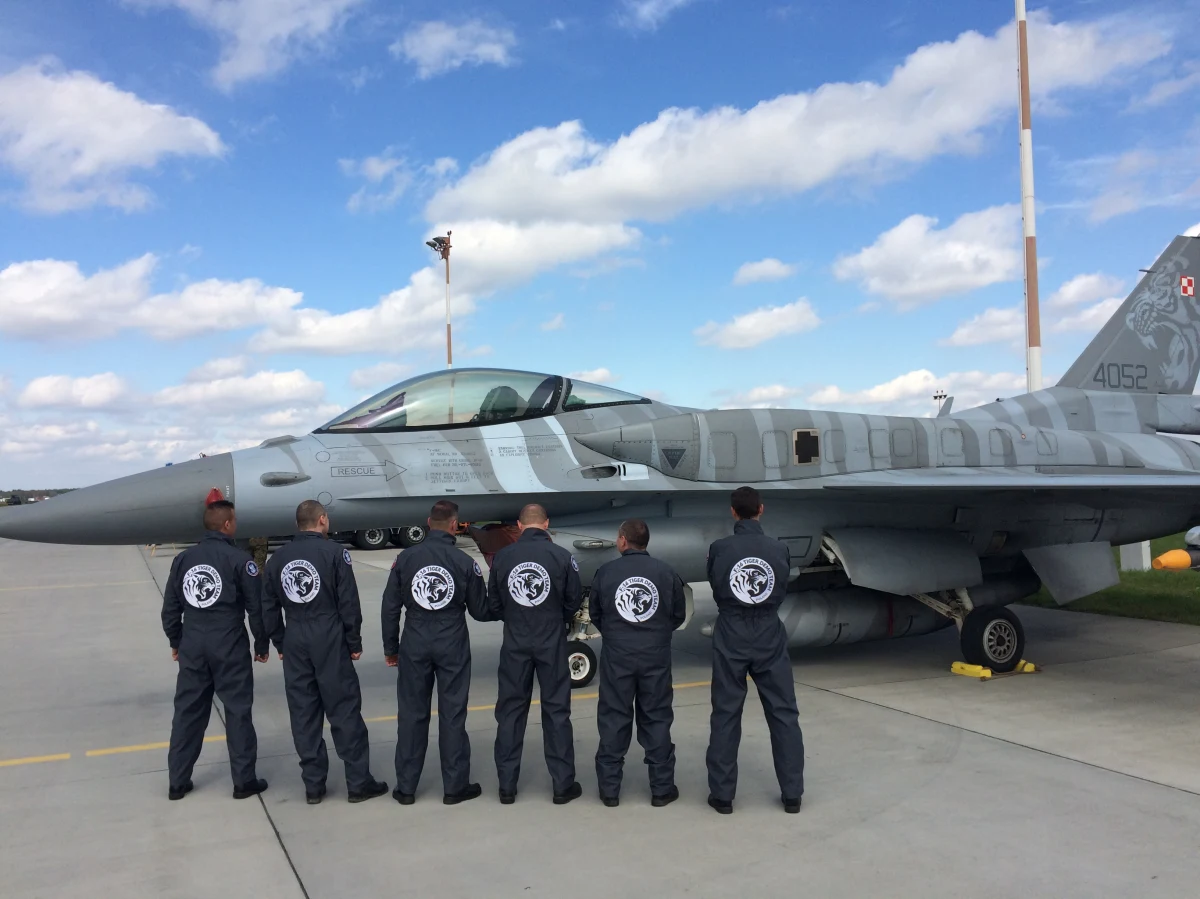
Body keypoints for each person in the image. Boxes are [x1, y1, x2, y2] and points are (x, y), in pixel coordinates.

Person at [262, 500, 387, 805]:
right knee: (343, 708)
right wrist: (353, 642)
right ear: (321, 520)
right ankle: (358, 783)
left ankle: (313, 786)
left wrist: (281, 642)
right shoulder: (334, 554)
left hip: (296, 635)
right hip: (328, 634)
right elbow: (348, 602)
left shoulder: (277, 559)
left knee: (304, 712)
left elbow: (267, 608)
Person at [382, 500, 490, 805]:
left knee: (411, 714)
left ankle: (406, 788)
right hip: (451, 641)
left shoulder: (405, 558)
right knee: (452, 714)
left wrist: (392, 648)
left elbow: (390, 607)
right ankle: (455, 788)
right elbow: (481, 611)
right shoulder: (464, 562)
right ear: (455, 525)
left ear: (429, 523)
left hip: (415, 640)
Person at [704, 486, 805, 815]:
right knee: (783, 714)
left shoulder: (720, 549)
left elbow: (717, 586)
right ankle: (792, 795)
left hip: (731, 631)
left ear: (733, 512)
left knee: (725, 714)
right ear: (761, 510)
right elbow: (782, 586)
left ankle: (722, 796)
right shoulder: (778, 549)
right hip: (767, 632)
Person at [161, 499, 269, 801]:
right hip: (228, 643)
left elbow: (170, 608)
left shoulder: (183, 560)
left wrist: (176, 641)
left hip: (193, 643)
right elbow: (255, 609)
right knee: (237, 711)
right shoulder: (239, 560)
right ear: (227, 525)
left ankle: (177, 781)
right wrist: (261, 644)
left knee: (187, 713)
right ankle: (243, 781)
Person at [488, 503, 583, 805]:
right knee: (556, 711)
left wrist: (516, 619)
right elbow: (573, 601)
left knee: (511, 712)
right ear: (546, 524)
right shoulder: (562, 556)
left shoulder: (503, 557)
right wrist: (556, 619)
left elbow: (495, 602)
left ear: (519, 525)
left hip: (515, 641)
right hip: (551, 640)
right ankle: (562, 785)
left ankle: (506, 786)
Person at [589, 519, 686, 807]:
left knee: (613, 718)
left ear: (622, 541)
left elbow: (596, 612)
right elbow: (677, 614)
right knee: (656, 717)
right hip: (654, 655)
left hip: (618, 654)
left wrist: (618, 634)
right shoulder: (666, 573)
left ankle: (609, 790)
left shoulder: (605, 572)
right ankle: (661, 789)